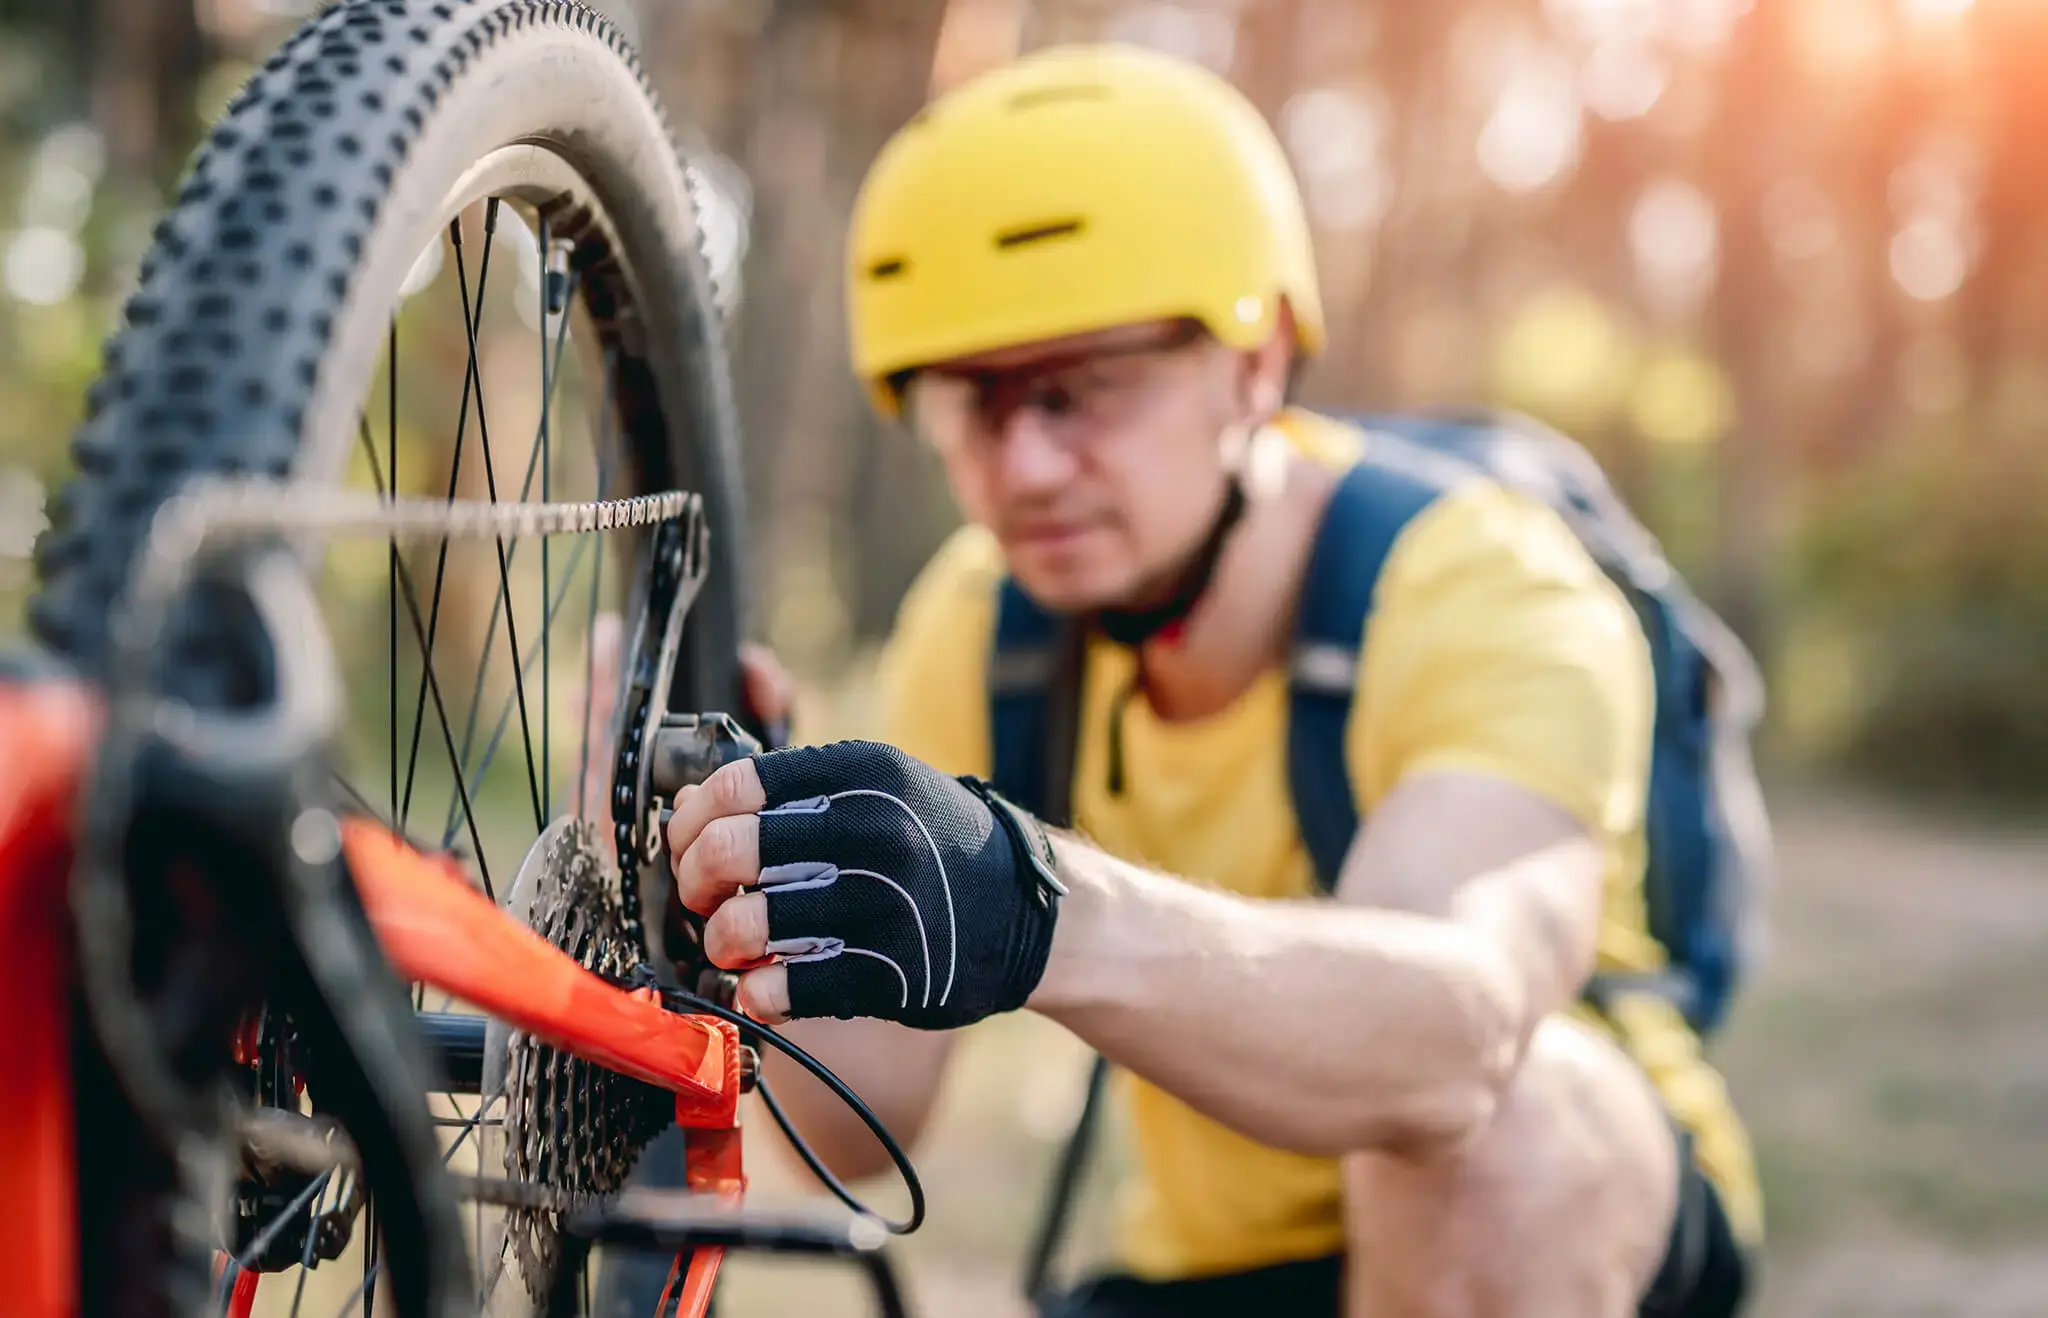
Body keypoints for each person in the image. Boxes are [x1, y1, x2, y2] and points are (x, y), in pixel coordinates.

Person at [652, 42, 1761, 1318]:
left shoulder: (1487, 585)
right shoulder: (982, 616)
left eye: (1085, 388)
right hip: (1211, 1274)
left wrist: (1039, 907)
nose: (1025, 466)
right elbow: (861, 1125)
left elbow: (1454, 1045)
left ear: (1259, 359)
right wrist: (755, 913)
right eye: (970, 402)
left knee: (1496, 1139)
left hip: (1571, 1220)